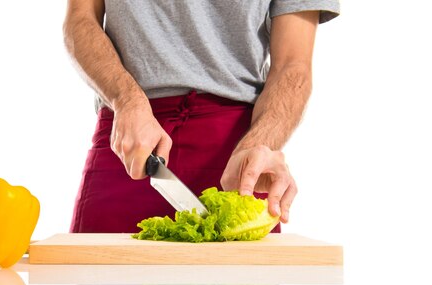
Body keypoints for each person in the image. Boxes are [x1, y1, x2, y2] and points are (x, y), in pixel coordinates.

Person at [64, 0, 340, 234]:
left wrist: (260, 144)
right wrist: (126, 100)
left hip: (237, 160)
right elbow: (80, 20)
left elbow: (293, 66)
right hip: (130, 146)